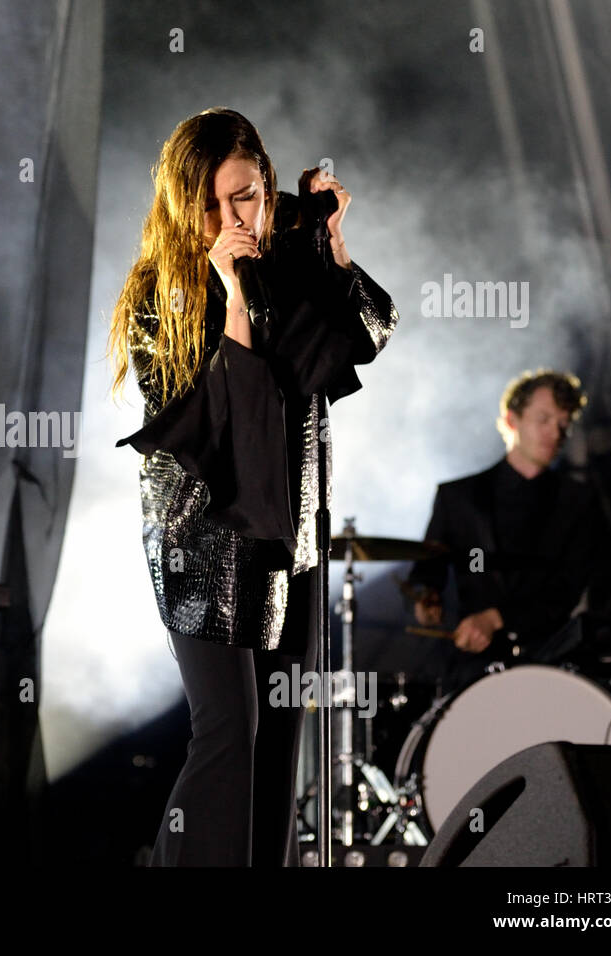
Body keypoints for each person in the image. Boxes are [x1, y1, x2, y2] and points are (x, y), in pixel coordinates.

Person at [111, 107, 397, 866]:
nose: (234, 216)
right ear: (185, 205)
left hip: (289, 530)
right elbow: (217, 417)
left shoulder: (291, 261)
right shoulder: (158, 290)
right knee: (229, 728)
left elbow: (361, 338)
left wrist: (333, 249)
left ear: (267, 186)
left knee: (279, 740)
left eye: (247, 195)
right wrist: (232, 294)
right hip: (200, 537)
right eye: (213, 203)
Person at [407, 369, 611, 691]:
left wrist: (495, 618)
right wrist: (424, 600)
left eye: (563, 423)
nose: (555, 433)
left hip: (550, 663)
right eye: (543, 419)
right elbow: (426, 572)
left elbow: (568, 589)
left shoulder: (579, 501)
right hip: (469, 668)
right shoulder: (458, 497)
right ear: (511, 420)